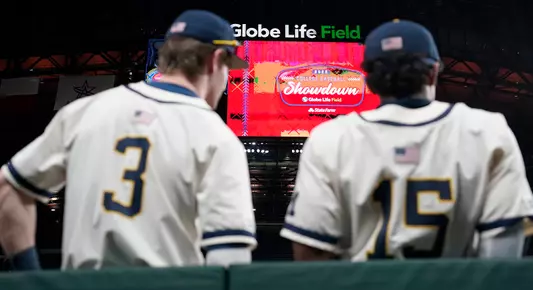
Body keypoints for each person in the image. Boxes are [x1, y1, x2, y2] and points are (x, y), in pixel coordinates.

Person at [0, 10, 256, 270]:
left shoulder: (84, 111)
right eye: (228, 69)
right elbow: (230, 255)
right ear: (215, 61)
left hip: (82, 289)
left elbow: (8, 190)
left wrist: (30, 277)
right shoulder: (216, 136)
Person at [280, 19, 533, 261]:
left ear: (369, 79)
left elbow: (311, 249)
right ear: (433, 72)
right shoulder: (487, 130)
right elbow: (504, 239)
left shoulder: (330, 137)